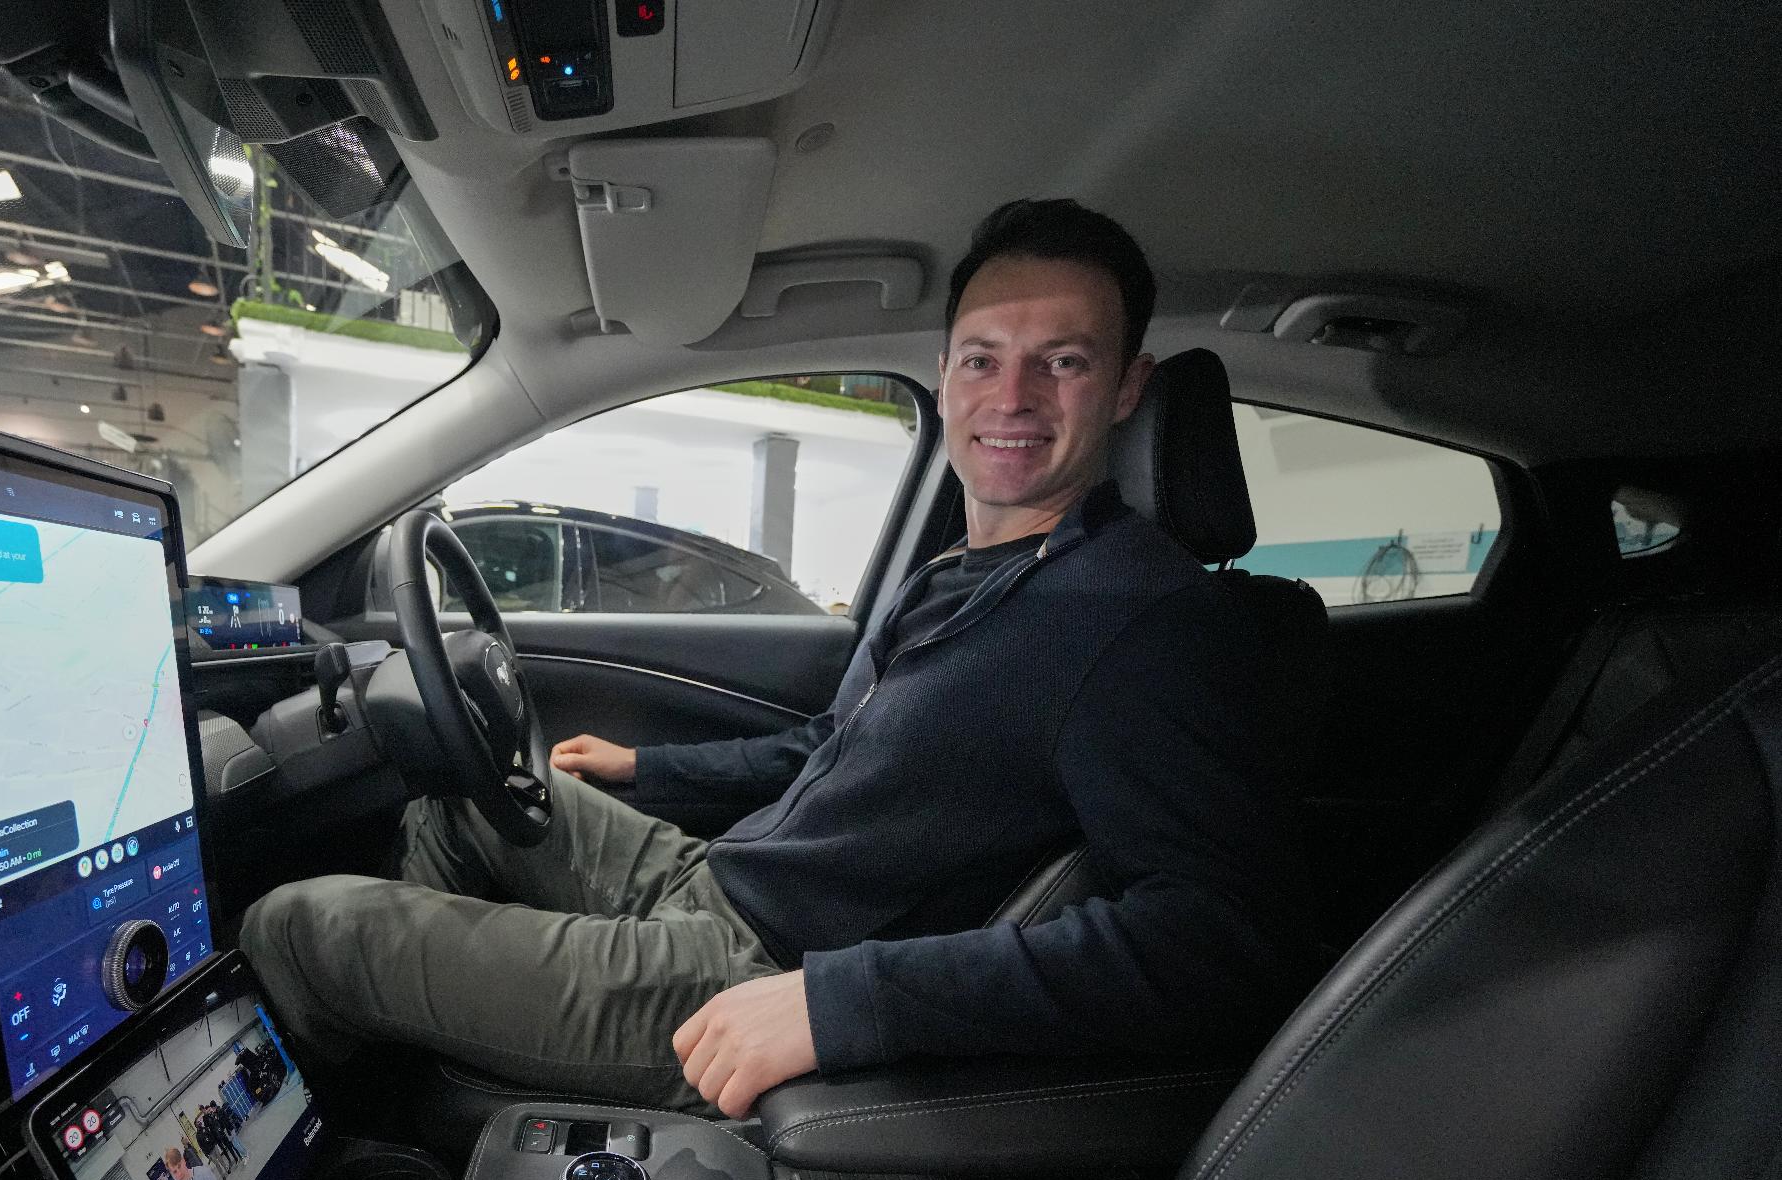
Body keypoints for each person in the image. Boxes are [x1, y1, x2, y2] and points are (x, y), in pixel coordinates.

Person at [244, 198, 1315, 1119]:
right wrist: (643, 768)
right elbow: (830, 746)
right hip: (712, 880)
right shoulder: (967, 569)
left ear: (1126, 388)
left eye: (1062, 362)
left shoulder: (1143, 620)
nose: (1013, 396)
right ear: (943, 374)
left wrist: (842, 1002)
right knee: (458, 797)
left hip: (751, 970)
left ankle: (361, 1154)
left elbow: (1210, 942)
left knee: (298, 926)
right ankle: (446, 1100)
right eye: (984, 357)